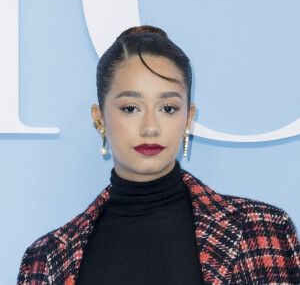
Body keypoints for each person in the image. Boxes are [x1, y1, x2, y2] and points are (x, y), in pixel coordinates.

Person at [17, 25, 300, 285]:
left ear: (188, 118)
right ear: (99, 118)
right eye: (130, 108)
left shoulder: (262, 230)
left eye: (168, 108)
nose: (150, 128)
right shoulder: (45, 258)